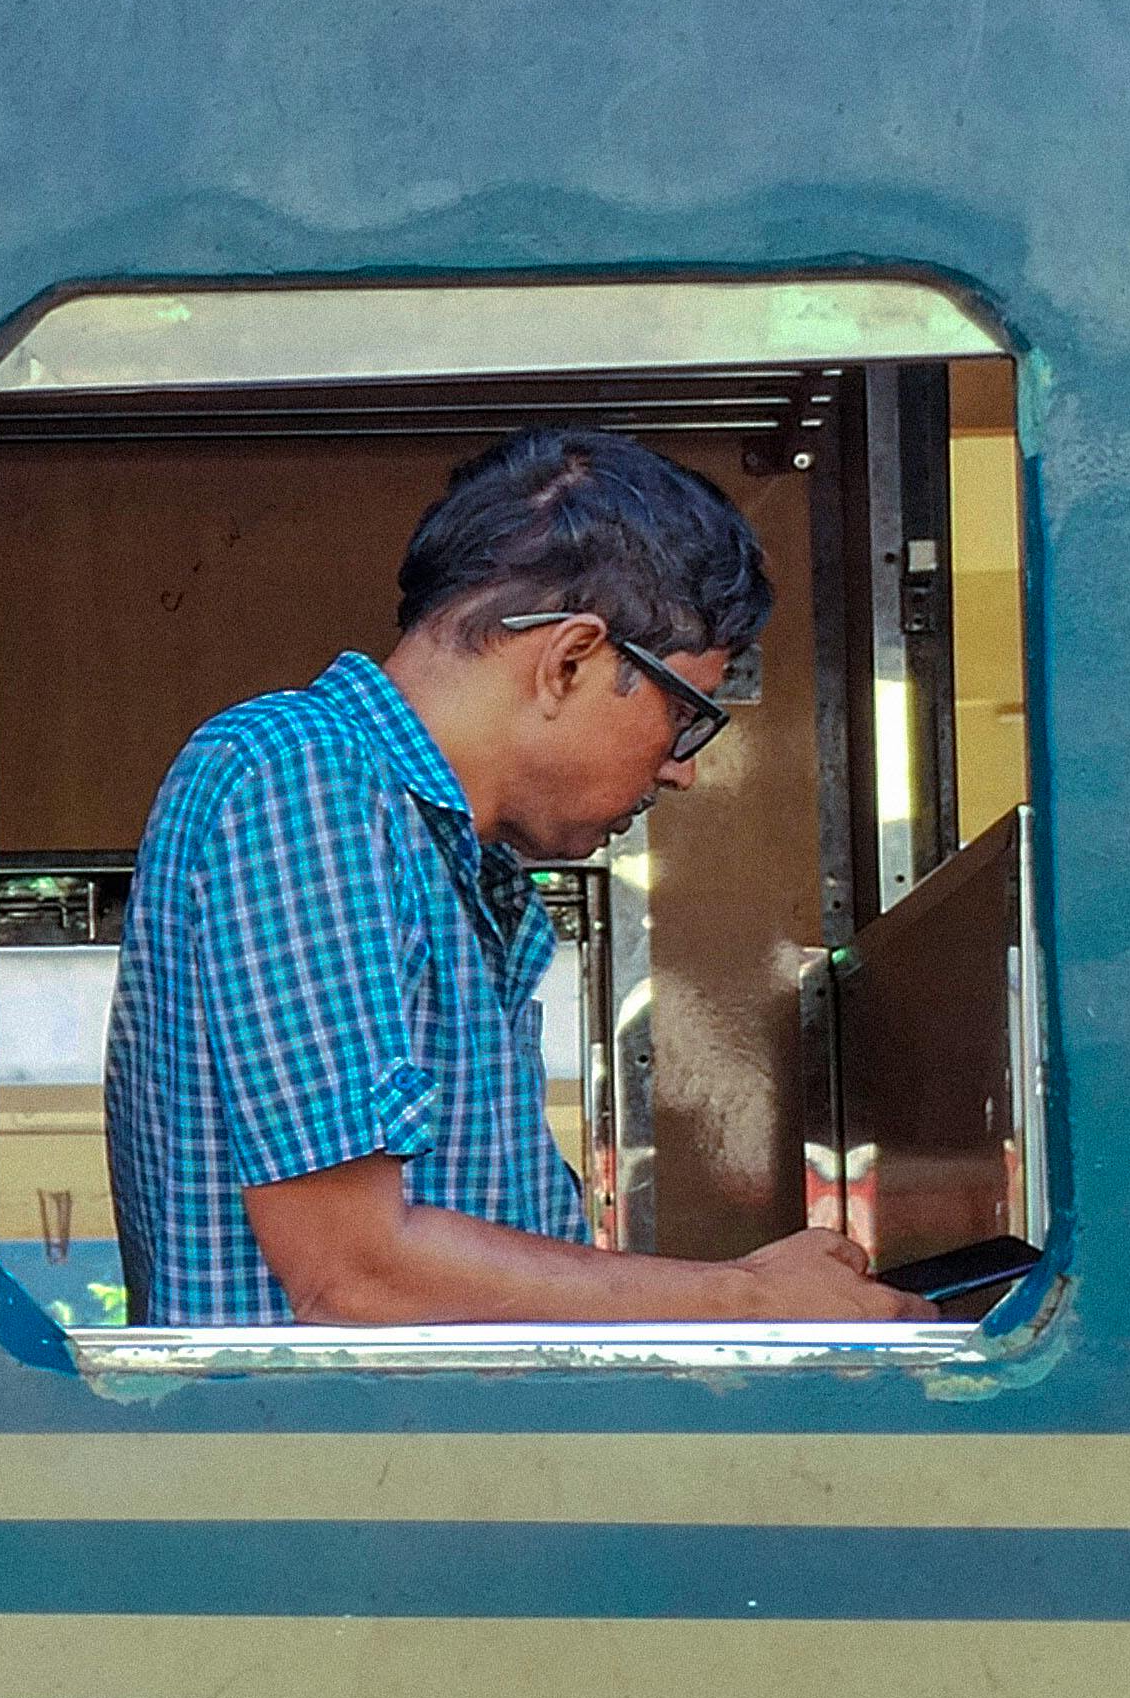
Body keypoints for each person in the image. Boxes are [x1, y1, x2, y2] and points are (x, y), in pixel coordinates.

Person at [102, 427, 925, 1330]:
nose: (681, 768)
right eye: (686, 717)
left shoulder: (446, 860)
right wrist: (748, 1300)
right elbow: (357, 1273)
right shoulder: (304, 774)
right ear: (569, 658)